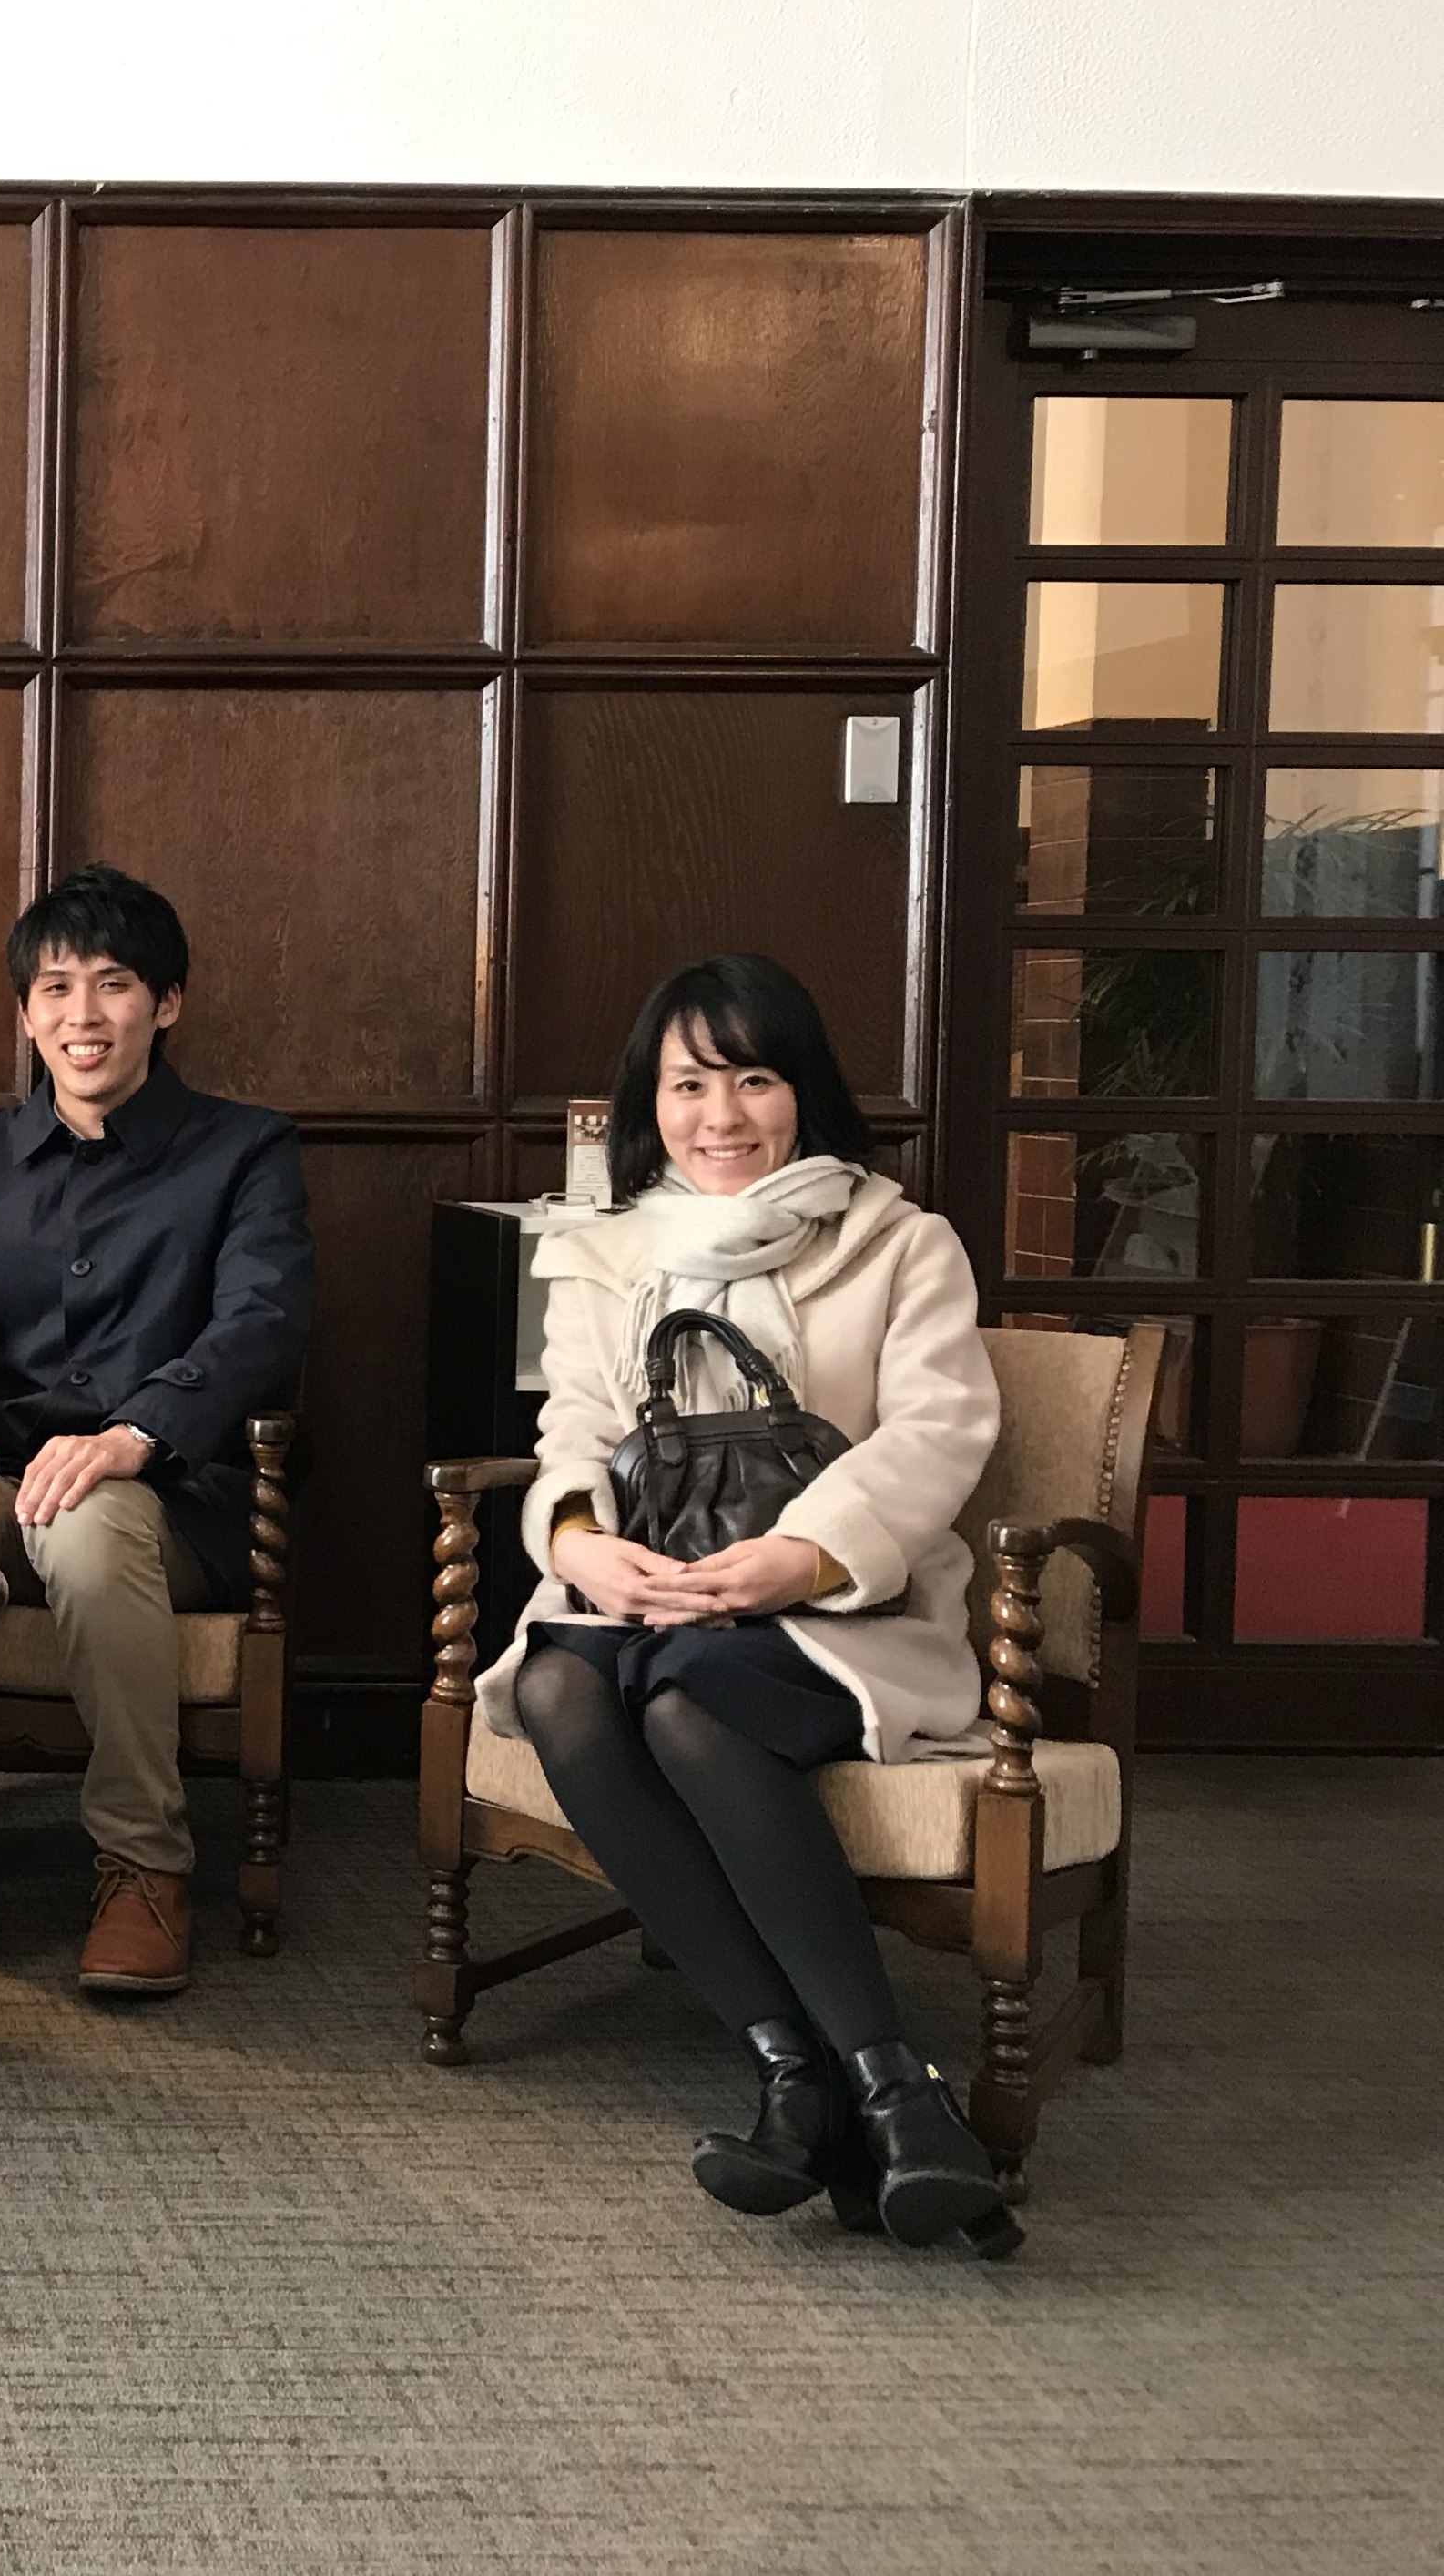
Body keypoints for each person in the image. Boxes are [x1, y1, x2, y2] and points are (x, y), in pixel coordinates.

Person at [476, 952, 1014, 2251]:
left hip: (839, 1612)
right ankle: (831, 2082)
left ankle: (864, 2084)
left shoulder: (899, 1242)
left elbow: (938, 1435)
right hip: (657, 1588)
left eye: (753, 1080)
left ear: (803, 1090)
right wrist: (582, 1543)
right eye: (689, 1085)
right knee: (558, 1682)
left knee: (687, 1702)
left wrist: (804, 1556)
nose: (720, 1116)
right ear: (648, 1104)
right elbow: (574, 1432)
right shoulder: (605, 1256)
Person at [0, 865, 316, 1997]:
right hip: (12, 1476)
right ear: (27, 1014)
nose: (83, 1015)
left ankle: (143, 1865)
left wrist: (136, 1435)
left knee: (90, 1517)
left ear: (167, 1003)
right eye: (55, 989)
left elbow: (263, 1323)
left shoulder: (245, 1149)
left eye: (113, 984)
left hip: (180, 1497)